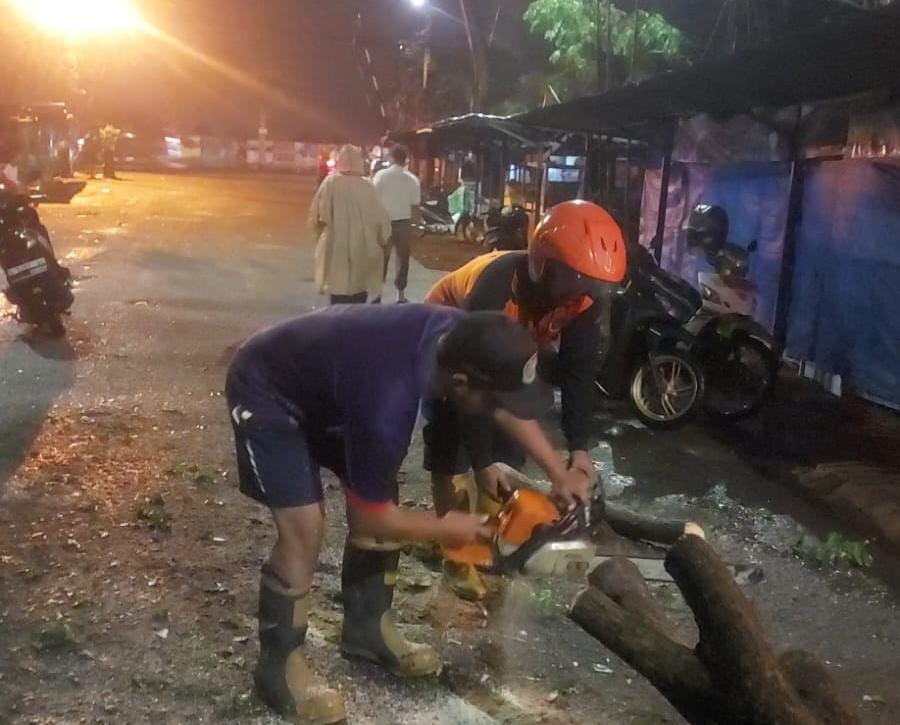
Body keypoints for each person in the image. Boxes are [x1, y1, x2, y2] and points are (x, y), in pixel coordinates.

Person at [225, 304, 593, 724]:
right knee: (305, 528)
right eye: (492, 396)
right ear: (459, 383)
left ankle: (366, 630)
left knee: (381, 487)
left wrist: (558, 473)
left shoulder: (464, 339)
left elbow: (500, 401)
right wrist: (445, 528)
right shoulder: (388, 401)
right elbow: (370, 520)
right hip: (267, 390)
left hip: (333, 386)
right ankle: (277, 670)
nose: (499, 405)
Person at [424, 199, 628, 600]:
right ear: (544, 263)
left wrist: (580, 450)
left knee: (507, 452)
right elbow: (475, 392)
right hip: (449, 343)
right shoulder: (497, 287)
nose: (581, 291)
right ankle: (456, 551)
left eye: (590, 283)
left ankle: (490, 539)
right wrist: (481, 461)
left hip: (507, 351)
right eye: (573, 279)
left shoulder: (582, 301)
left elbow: (578, 375)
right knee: (454, 449)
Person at [308, 145, 391, 305]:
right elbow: (381, 219)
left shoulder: (331, 183)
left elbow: (318, 215)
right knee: (359, 294)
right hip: (364, 247)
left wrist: (320, 235)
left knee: (338, 292)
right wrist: (382, 240)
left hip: (336, 246)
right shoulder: (367, 186)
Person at [373, 144, 421, 303]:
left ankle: (377, 294)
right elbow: (415, 206)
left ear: (391, 157)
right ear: (405, 159)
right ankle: (400, 295)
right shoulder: (412, 179)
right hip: (404, 224)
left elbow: (374, 199)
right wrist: (417, 226)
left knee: (382, 259)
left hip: (384, 222)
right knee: (403, 259)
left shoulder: (381, 176)